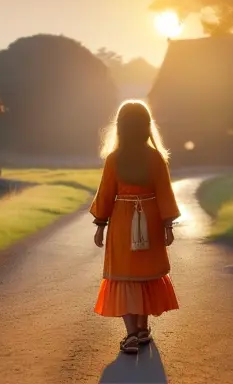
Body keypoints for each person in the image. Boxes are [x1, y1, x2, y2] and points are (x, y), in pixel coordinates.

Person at [90, 99, 181, 354]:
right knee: (145, 275)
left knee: (125, 275)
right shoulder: (156, 158)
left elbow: (106, 195)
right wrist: (168, 226)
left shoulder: (113, 159)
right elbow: (165, 193)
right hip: (150, 220)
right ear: (146, 126)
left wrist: (100, 225)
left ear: (120, 127)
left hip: (122, 221)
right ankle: (142, 330)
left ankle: (130, 335)